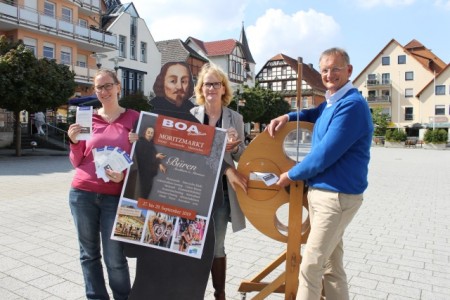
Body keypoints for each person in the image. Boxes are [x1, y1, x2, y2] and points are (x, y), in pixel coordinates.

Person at [266, 47, 373, 300]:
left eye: (335, 69)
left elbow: (324, 155)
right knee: (331, 267)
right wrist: (289, 114)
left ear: (349, 70)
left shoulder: (352, 106)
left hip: (335, 198)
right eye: (324, 69)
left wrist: (290, 175)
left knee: (310, 267)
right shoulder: (332, 102)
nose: (329, 74)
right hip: (325, 196)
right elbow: (314, 113)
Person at [67, 69, 139, 300]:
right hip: (82, 193)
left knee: (115, 257)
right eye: (99, 87)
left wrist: (126, 173)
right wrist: (74, 141)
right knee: (88, 254)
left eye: (108, 86)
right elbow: (77, 160)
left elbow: (147, 159)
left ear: (119, 87)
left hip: (116, 197)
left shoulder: (135, 119)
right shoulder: (88, 117)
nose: (104, 91)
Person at [191, 62, 246, 300]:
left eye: (216, 84)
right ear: (201, 89)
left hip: (221, 193)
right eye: (207, 84)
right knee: (193, 243)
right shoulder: (191, 116)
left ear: (224, 89)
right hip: (193, 190)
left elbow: (242, 156)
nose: (211, 88)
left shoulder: (235, 118)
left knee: (217, 246)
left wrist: (235, 147)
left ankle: (220, 294)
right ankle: (194, 291)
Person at [134, 126, 166, 199]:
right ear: (145, 133)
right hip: (142, 174)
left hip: (149, 174)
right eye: (149, 132)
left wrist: (160, 164)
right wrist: (155, 157)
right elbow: (142, 158)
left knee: (146, 193)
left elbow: (154, 155)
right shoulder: (140, 143)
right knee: (141, 193)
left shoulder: (151, 145)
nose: (150, 134)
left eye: (152, 133)